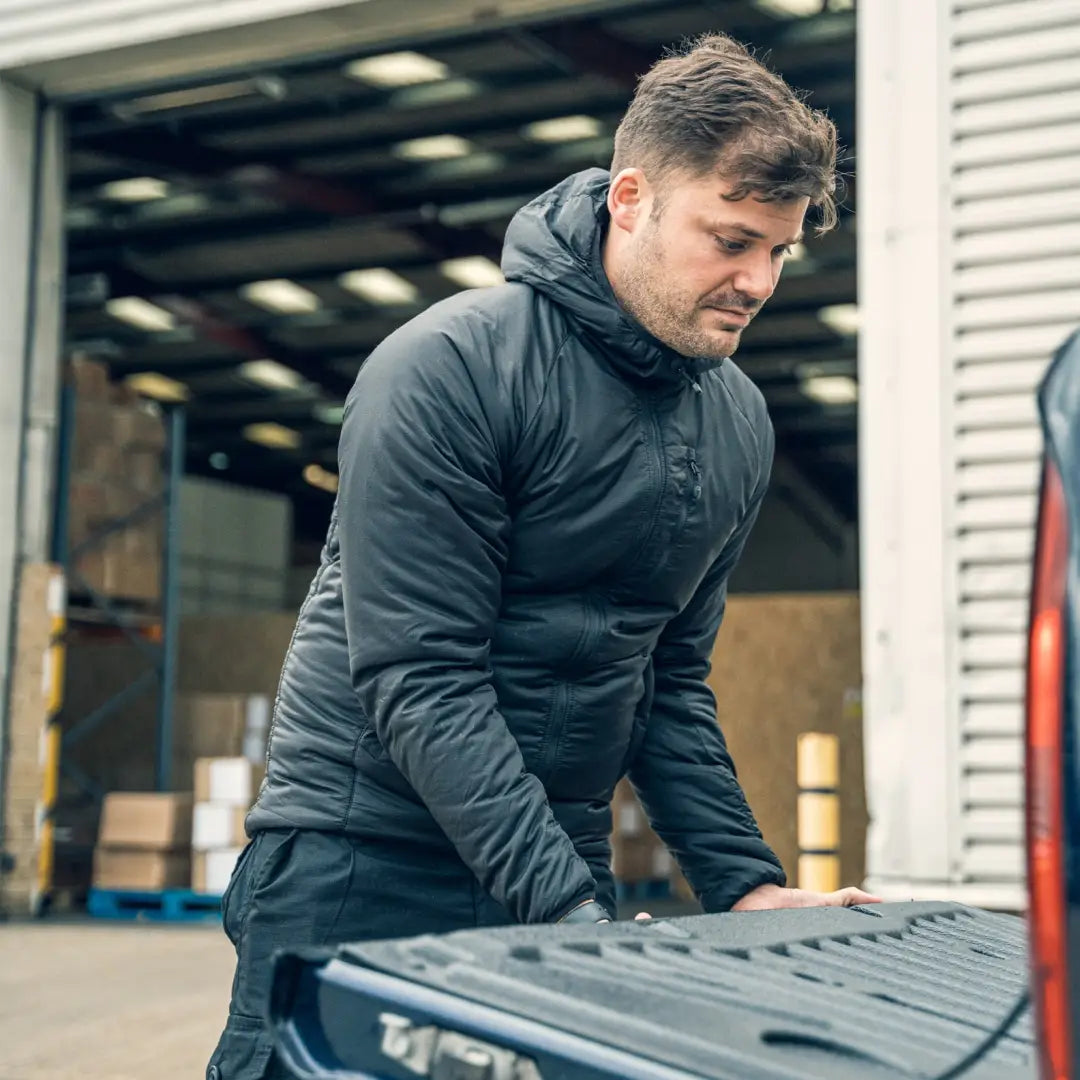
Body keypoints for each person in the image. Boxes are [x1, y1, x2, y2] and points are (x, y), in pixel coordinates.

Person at [207, 32, 877, 1080]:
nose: (758, 280)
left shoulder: (738, 424)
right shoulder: (450, 369)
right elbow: (419, 676)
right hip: (361, 863)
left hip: (552, 863)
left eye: (781, 251)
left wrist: (743, 883)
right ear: (630, 199)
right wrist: (563, 902)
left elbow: (667, 682)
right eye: (731, 239)